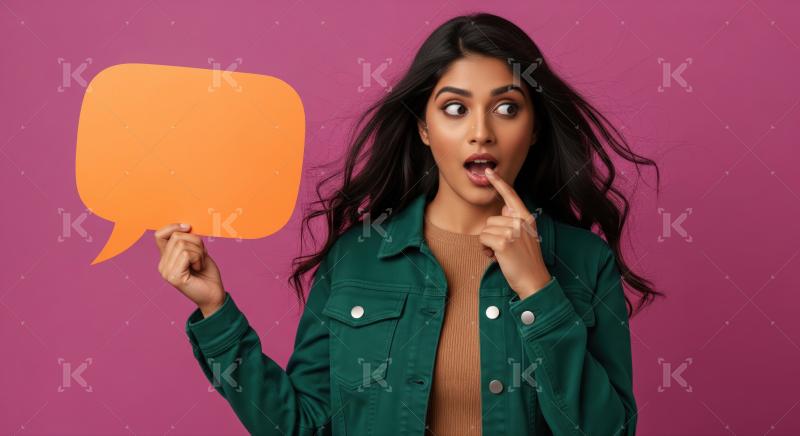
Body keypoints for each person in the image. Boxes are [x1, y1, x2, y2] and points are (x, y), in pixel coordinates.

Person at [155, 12, 661, 436]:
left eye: (507, 108)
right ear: (424, 127)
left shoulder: (584, 263)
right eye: (455, 109)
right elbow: (301, 426)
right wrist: (215, 310)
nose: (481, 132)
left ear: (533, 131)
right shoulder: (356, 258)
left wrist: (537, 290)